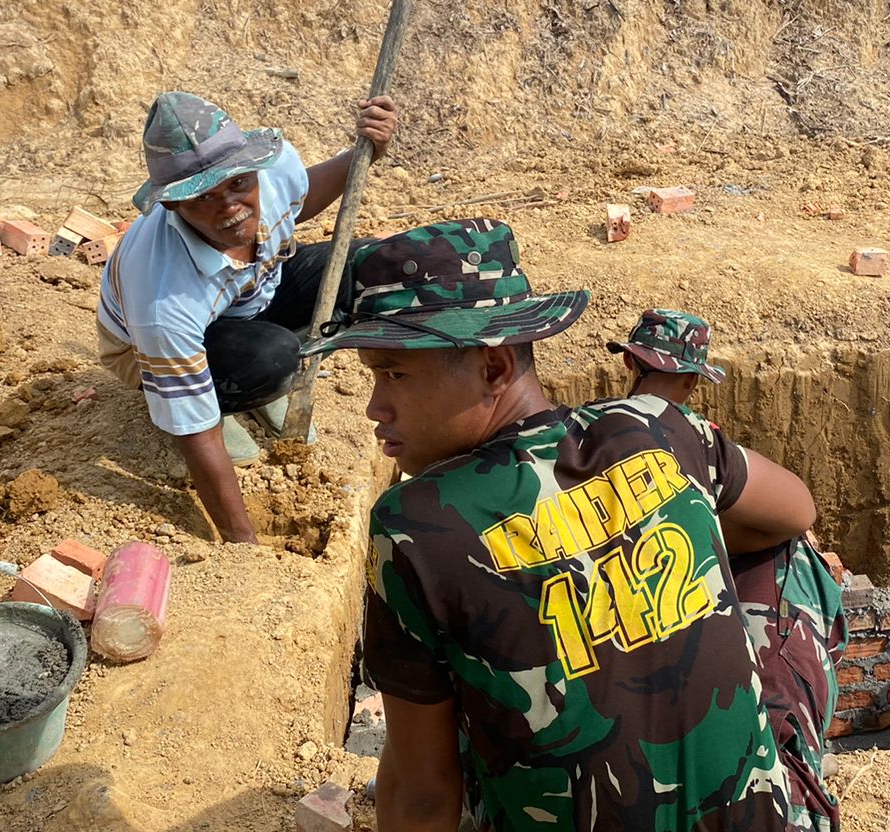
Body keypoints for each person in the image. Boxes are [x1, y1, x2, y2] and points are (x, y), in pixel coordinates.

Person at [317, 219, 815, 831]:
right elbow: (797, 510)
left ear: (494, 367)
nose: (375, 407)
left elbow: (423, 795)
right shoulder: (657, 425)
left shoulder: (413, 527)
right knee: (790, 556)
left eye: (394, 373)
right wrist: (658, 543)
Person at [96, 89, 396, 544]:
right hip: (143, 350)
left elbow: (300, 198)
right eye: (204, 198)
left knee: (365, 268)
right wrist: (243, 542)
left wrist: (366, 150)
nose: (231, 208)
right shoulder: (164, 302)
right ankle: (231, 397)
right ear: (173, 205)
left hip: (249, 297)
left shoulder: (272, 173)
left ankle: (261, 381)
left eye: (238, 184)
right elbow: (195, 433)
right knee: (272, 358)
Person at [604, 309, 845, 832]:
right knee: (792, 557)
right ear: (694, 380)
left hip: (607, 648)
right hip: (679, 656)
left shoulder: (578, 433)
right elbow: (796, 512)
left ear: (629, 362)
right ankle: (795, 777)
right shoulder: (690, 438)